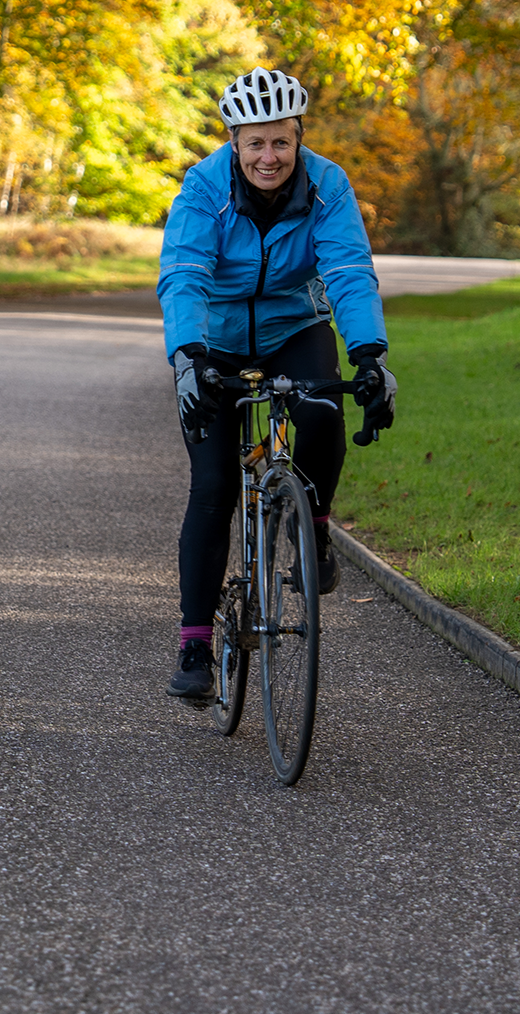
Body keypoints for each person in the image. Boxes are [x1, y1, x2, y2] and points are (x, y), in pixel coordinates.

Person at [156, 67, 397, 702]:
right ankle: (195, 643)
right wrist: (188, 356)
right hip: (217, 337)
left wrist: (370, 355)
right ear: (234, 141)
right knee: (212, 487)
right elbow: (183, 272)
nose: (269, 157)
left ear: (299, 138)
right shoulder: (204, 188)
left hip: (295, 325)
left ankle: (313, 527)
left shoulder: (329, 186)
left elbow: (348, 270)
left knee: (320, 413)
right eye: (255, 143)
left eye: (281, 142)